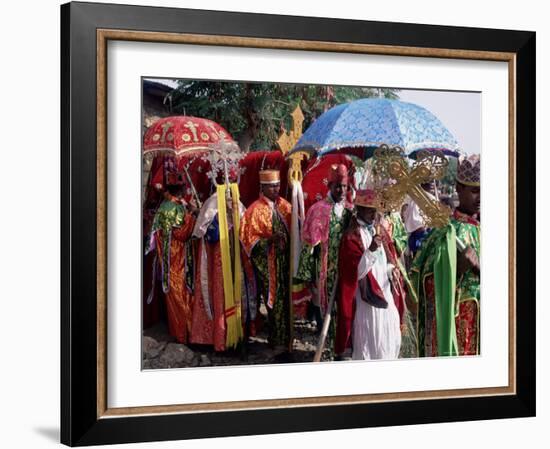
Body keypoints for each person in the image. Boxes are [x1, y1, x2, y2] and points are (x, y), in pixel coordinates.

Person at [411, 154, 480, 357]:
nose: (481, 198)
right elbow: (426, 284)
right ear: (459, 187)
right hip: (460, 329)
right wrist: (457, 268)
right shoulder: (444, 232)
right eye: (475, 191)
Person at [190, 169, 255, 352]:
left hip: (236, 257)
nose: (230, 187)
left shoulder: (237, 202)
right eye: (228, 181)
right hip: (218, 258)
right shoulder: (212, 202)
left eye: (233, 181)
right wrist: (219, 220)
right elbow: (202, 232)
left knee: (236, 293)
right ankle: (220, 338)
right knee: (219, 294)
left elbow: (246, 226)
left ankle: (237, 335)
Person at [294, 163, 353, 356]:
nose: (341, 190)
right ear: (329, 186)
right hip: (325, 270)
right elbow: (309, 247)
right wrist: (308, 276)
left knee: (345, 309)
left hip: (345, 270)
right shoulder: (318, 210)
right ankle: (326, 346)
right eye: (338, 186)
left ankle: (342, 348)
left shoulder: (350, 211)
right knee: (325, 309)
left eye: (344, 186)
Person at [336, 189, 402, 360]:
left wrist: (391, 270)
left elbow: (387, 262)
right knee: (369, 343)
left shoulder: (380, 231)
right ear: (359, 209)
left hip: (385, 293)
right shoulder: (352, 237)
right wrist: (371, 250)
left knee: (389, 339)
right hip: (366, 301)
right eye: (369, 210)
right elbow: (355, 273)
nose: (373, 214)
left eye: (375, 210)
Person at [240, 170, 292, 350]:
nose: (276, 189)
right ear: (263, 187)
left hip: (285, 262)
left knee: (286, 300)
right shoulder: (254, 210)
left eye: (278, 185)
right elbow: (249, 242)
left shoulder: (285, 205)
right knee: (275, 301)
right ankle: (277, 340)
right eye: (272, 186)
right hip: (268, 264)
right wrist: (270, 240)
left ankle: (288, 338)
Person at [146, 170, 197, 344]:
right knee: (181, 294)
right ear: (181, 190)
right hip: (179, 257)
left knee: (173, 295)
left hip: (167, 257)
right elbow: (182, 234)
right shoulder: (177, 207)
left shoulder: (164, 206)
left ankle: (179, 332)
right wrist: (192, 216)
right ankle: (185, 333)